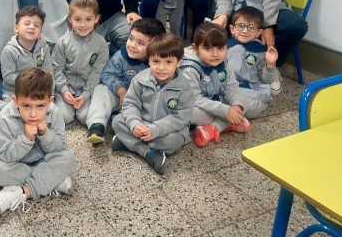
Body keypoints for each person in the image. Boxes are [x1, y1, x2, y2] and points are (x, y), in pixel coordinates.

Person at [0, 67, 76, 214]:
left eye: (40, 106)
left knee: (69, 158)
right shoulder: (4, 117)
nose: (33, 114)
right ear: (15, 101)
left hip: (44, 159)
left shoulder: (54, 112)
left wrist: (45, 134)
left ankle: (23, 192)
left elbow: (60, 147)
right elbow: (5, 155)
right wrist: (25, 138)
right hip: (18, 164)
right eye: (26, 106)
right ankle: (52, 180)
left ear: (49, 102)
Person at [111, 33, 194, 175]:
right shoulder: (140, 79)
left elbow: (180, 118)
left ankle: (128, 142)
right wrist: (135, 124)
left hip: (166, 131)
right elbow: (130, 104)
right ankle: (148, 152)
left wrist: (155, 129)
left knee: (172, 142)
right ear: (149, 60)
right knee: (117, 121)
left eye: (168, 62)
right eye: (156, 61)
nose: (161, 68)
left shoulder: (184, 87)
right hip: (142, 123)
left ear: (179, 62)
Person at [85, 18, 165, 144]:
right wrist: (121, 91)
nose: (132, 45)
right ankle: (96, 125)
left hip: (141, 104)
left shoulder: (157, 64)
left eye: (140, 43)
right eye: (131, 39)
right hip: (120, 97)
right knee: (101, 89)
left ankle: (128, 134)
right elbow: (107, 74)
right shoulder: (121, 56)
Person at [180, 22, 259, 147]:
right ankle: (227, 123)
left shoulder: (223, 60)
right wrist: (225, 111)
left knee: (244, 102)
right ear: (195, 48)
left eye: (220, 48)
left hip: (216, 102)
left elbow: (231, 86)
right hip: (196, 105)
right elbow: (194, 99)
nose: (215, 54)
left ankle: (212, 128)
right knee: (188, 113)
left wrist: (237, 107)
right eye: (208, 49)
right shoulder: (189, 68)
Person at [53, 0, 109, 125]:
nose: (83, 25)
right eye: (77, 20)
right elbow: (57, 68)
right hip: (66, 87)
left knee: (85, 118)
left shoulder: (101, 44)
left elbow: (97, 72)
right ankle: (62, 103)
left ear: (96, 19)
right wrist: (64, 90)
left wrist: (85, 95)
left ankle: (84, 104)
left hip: (87, 88)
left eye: (88, 19)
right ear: (70, 19)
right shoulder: (63, 42)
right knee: (64, 117)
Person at [227, 6, 281, 113]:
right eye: (240, 26)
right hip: (228, 88)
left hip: (249, 90)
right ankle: (232, 117)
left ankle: (231, 115)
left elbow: (265, 81)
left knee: (252, 106)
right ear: (232, 29)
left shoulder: (261, 51)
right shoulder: (225, 46)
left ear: (258, 32)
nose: (245, 30)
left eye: (251, 27)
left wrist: (270, 65)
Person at [1, 6, 54, 101]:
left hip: (39, 92)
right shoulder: (9, 50)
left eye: (37, 25)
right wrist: (33, 81)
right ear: (16, 28)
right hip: (14, 93)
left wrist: (51, 93)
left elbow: (49, 73)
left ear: (41, 31)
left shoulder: (44, 48)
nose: (31, 27)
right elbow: (8, 77)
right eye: (26, 23)